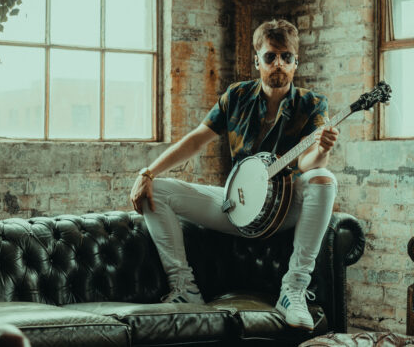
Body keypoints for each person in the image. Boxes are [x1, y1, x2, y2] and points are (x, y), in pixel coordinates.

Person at [129, 19, 339, 331]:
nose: (278, 64)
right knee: (156, 190)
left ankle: (293, 290)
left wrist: (322, 150)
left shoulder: (312, 104)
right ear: (257, 61)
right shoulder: (236, 96)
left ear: (296, 63)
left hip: (282, 209)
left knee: (324, 179)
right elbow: (197, 140)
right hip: (236, 204)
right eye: (270, 56)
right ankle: (185, 289)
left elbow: (309, 164)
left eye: (286, 57)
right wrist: (148, 172)